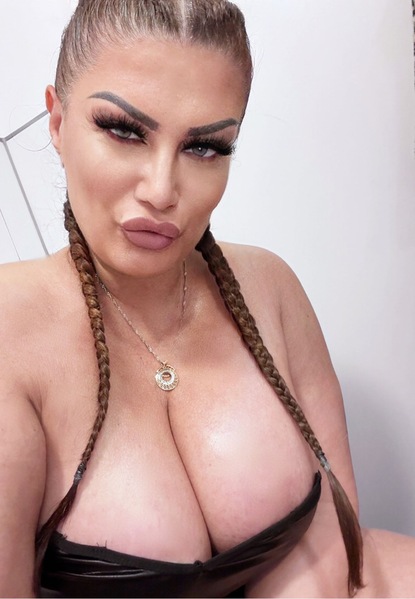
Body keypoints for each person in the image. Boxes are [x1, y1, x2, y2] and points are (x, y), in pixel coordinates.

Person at [0, 0, 414, 597]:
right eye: (123, 131)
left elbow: (339, 550)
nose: (161, 190)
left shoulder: (269, 286)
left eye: (206, 148)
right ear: (58, 123)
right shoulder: (12, 335)